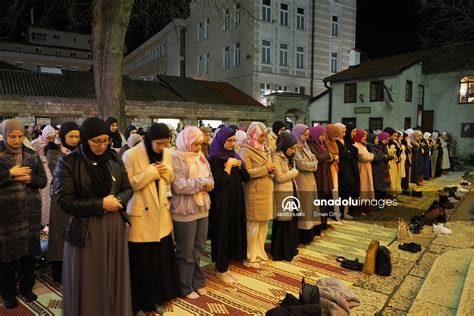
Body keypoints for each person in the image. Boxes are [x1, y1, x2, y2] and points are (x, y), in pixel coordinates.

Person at [53, 117, 133, 316]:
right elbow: (64, 200)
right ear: (85, 139)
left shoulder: (114, 159)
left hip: (114, 226)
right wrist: (100, 204)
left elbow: (127, 188)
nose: (102, 145)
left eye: (105, 140)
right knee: (90, 278)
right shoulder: (69, 162)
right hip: (86, 229)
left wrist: (119, 201)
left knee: (113, 276)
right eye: (96, 141)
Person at [122, 123, 180, 315]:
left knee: (159, 263)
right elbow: (127, 185)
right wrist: (150, 173)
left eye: (166, 143)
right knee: (142, 264)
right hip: (141, 216)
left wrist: (165, 172)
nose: (162, 147)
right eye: (159, 143)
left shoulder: (167, 154)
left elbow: (170, 178)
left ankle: (156, 299)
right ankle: (139, 303)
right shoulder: (131, 155)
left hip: (161, 215)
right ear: (149, 140)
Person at [0, 119, 47, 308]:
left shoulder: (32, 155)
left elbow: (42, 180)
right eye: (12, 137)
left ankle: (27, 288)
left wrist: (28, 178)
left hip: (29, 212)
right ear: (4, 135)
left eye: (20, 136)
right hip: (6, 215)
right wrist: (10, 173)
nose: (17, 140)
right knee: (7, 255)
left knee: (29, 254)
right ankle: (9, 292)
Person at [171, 126, 214, 299]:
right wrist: (202, 183)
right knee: (185, 251)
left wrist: (206, 183)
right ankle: (184, 286)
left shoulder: (201, 157)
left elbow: (211, 179)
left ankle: (198, 282)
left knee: (198, 249)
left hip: (202, 208)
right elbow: (179, 186)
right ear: (186, 142)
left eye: (200, 145)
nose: (198, 148)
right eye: (195, 145)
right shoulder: (176, 158)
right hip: (184, 210)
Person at [209, 127, 250, 285]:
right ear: (221, 141)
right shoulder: (214, 158)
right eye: (229, 140)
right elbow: (219, 183)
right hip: (222, 202)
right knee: (222, 234)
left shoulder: (234, 156)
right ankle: (221, 269)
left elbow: (246, 178)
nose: (232, 144)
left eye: (234, 140)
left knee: (233, 231)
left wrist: (239, 166)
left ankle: (226, 267)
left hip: (236, 199)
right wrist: (228, 166)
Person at [45, 122, 80, 283]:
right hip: (60, 200)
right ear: (63, 136)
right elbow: (59, 172)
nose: (74, 139)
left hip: (78, 199)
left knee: (76, 233)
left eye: (77, 136)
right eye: (71, 136)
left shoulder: (82, 152)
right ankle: (58, 271)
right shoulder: (53, 152)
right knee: (59, 235)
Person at [239, 122, 274, 269]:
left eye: (265, 135)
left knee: (263, 225)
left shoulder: (265, 149)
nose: (263, 138)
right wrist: (265, 169)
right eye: (261, 135)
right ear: (253, 134)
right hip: (253, 192)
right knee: (253, 226)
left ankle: (260, 253)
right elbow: (246, 173)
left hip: (266, 190)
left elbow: (269, 167)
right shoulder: (245, 150)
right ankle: (250, 256)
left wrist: (271, 170)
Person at [271, 132, 299, 261]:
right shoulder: (276, 156)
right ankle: (280, 252)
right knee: (282, 224)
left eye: (294, 149)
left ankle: (289, 249)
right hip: (282, 192)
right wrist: (294, 172)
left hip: (290, 192)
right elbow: (279, 177)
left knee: (290, 223)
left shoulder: (288, 156)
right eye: (291, 148)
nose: (293, 151)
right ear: (285, 145)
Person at [292, 124, 319, 244]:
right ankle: (303, 235)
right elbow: (301, 164)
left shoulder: (305, 145)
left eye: (308, 134)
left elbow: (315, 159)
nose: (307, 137)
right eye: (305, 134)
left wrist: (312, 164)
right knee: (305, 206)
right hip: (302, 180)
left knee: (310, 206)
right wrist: (312, 165)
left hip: (309, 179)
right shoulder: (295, 146)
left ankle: (310, 233)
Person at [308, 125, 333, 234]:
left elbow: (327, 157)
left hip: (325, 173)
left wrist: (328, 157)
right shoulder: (311, 144)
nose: (323, 137)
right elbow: (318, 157)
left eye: (324, 135)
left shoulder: (322, 144)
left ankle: (323, 223)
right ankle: (319, 226)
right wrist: (328, 156)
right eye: (322, 135)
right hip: (318, 175)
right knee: (319, 200)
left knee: (324, 200)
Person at [31, 124, 57, 226]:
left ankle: (49, 218)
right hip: (40, 169)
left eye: (52, 137)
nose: (50, 139)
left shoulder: (53, 144)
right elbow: (32, 158)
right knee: (44, 194)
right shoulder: (35, 143)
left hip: (51, 168)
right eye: (49, 137)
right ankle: (43, 220)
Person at [337, 124, 360, 217]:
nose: (344, 134)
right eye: (342, 132)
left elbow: (354, 152)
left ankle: (347, 211)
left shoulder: (347, 140)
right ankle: (342, 212)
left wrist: (348, 153)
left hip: (350, 167)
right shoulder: (337, 141)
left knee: (350, 188)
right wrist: (348, 153)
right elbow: (342, 154)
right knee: (343, 190)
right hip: (342, 168)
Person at [352, 130, 375, 213]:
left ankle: (367, 208)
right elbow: (363, 157)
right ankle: (360, 209)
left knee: (367, 186)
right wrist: (371, 156)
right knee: (363, 187)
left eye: (365, 136)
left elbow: (367, 156)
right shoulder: (356, 145)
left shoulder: (363, 145)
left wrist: (370, 156)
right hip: (362, 168)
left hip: (367, 168)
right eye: (363, 136)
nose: (365, 138)